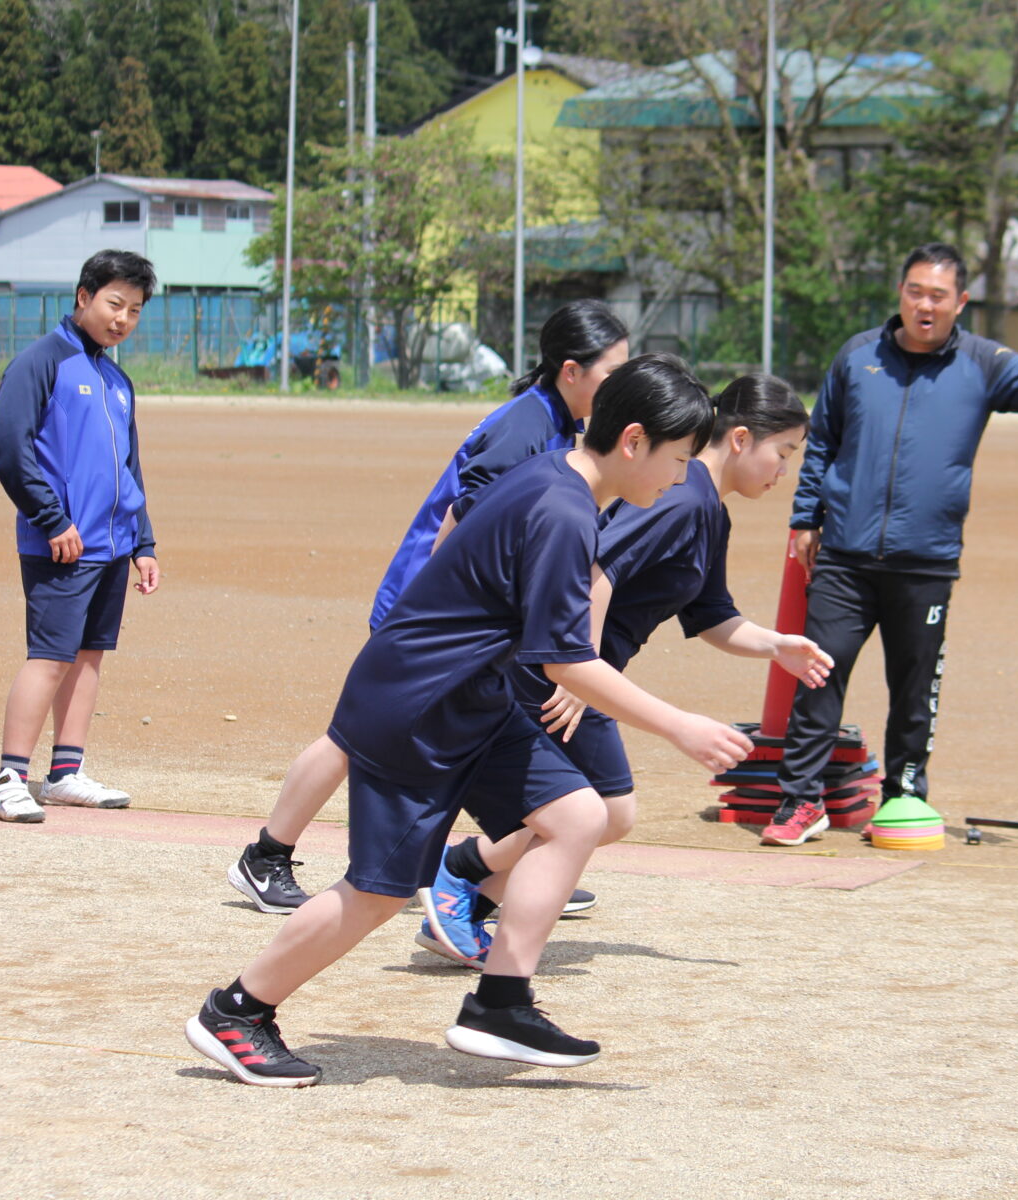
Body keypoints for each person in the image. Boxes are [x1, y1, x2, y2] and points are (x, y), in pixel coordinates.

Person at [185, 355, 753, 1087]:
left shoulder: (560, 484)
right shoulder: (563, 507)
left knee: (580, 816)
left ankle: (500, 1004)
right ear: (635, 441)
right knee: (379, 892)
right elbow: (565, 661)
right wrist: (680, 726)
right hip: (415, 708)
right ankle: (236, 1011)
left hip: (471, 698)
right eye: (677, 460)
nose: (680, 478)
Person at [417, 373, 834, 966]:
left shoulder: (707, 508)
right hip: (562, 670)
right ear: (740, 438)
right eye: (783, 453)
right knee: (601, 813)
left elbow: (711, 613)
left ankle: (469, 891)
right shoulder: (683, 495)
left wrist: (775, 646)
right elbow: (598, 570)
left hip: (579, 671)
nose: (783, 471)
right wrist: (579, 670)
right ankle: (462, 881)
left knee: (600, 813)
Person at [228, 300, 630, 914]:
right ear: (571, 371)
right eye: (613, 371)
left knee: (405, 734)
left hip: (457, 622)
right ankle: (266, 856)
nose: (620, 385)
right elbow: (461, 520)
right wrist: (437, 614)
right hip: (428, 614)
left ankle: (523, 856)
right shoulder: (525, 426)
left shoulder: (553, 423)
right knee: (353, 739)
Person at [761, 243, 1018, 847]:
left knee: (914, 687)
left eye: (938, 295)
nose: (925, 304)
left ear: (960, 302)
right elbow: (823, 439)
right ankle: (801, 801)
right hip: (845, 555)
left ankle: (904, 794)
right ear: (901, 294)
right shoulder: (858, 356)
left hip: (926, 559)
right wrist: (806, 519)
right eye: (915, 291)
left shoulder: (982, 362)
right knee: (818, 676)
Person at [0, 250, 161, 822]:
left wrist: (144, 544)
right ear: (83, 296)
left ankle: (65, 772)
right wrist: (51, 518)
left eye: (134, 310)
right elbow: (8, 445)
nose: (122, 319)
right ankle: (10, 775)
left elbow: (129, 468)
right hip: (60, 541)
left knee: (89, 657)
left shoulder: (116, 378)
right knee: (50, 657)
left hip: (111, 546)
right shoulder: (42, 361)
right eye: (114, 304)